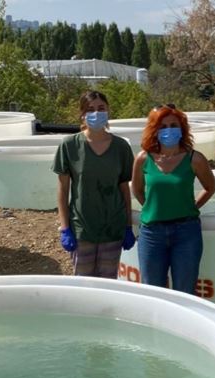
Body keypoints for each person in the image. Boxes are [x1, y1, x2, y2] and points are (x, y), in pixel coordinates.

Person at [131, 104, 215, 295]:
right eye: (162, 126)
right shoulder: (143, 159)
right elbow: (137, 190)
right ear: (154, 130)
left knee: (185, 292)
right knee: (153, 292)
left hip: (186, 233)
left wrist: (192, 206)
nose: (168, 130)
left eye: (173, 125)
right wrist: (153, 207)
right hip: (152, 234)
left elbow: (210, 187)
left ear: (182, 128)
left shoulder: (195, 159)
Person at [52, 90, 135, 278]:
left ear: (108, 111)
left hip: (112, 228)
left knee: (108, 283)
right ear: (82, 114)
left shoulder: (121, 147)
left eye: (101, 108)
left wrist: (128, 226)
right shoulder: (70, 146)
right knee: (84, 285)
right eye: (90, 109)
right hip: (82, 228)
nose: (96, 113)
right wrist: (65, 228)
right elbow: (63, 191)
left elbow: (124, 190)